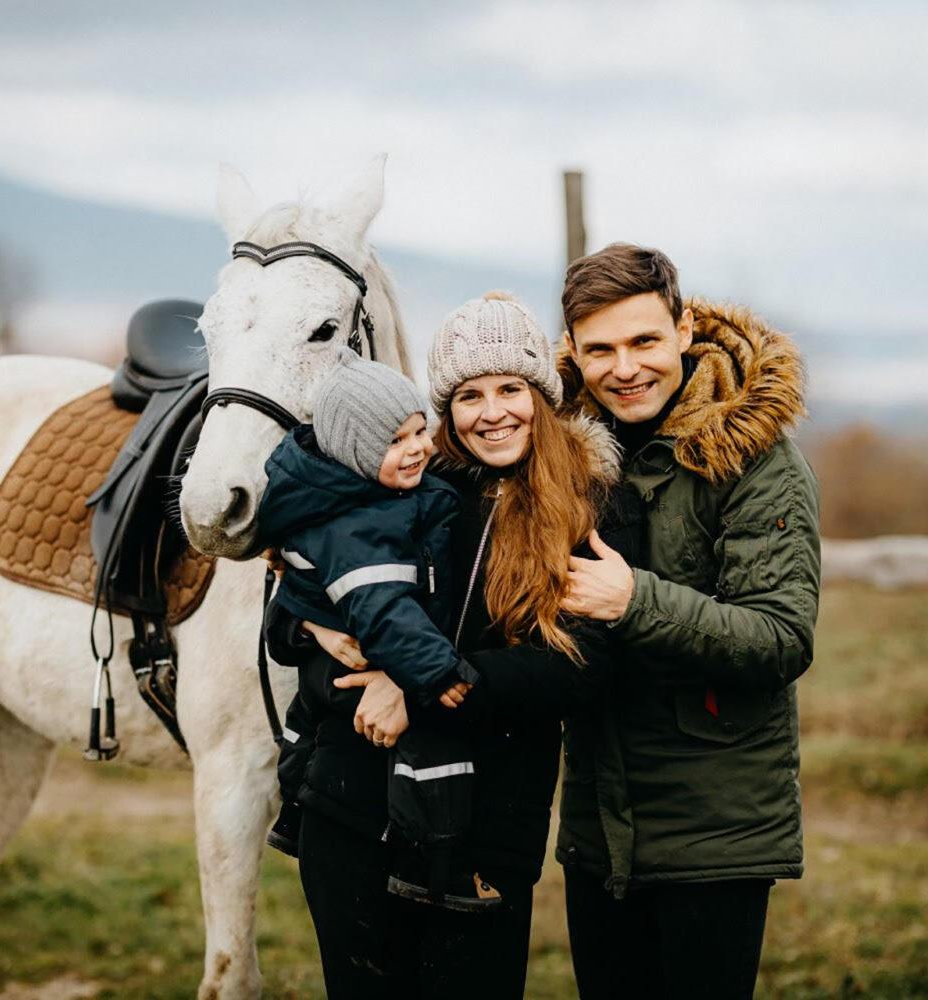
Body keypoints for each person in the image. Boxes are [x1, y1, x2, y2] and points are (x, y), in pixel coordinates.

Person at [272, 291, 646, 999]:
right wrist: (308, 629)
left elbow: (579, 667)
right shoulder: (407, 484)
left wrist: (421, 692)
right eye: (469, 395)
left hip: (485, 827)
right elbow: (301, 621)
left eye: (511, 388)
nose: (493, 411)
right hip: (354, 806)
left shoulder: (592, 504)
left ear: (542, 392)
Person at [555, 243, 822, 999]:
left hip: (717, 831)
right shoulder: (565, 457)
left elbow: (780, 635)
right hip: (597, 828)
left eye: (644, 341)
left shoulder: (758, 459)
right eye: (600, 349)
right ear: (573, 351)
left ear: (684, 327)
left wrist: (633, 600)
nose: (625, 367)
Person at [257, 347, 494, 910]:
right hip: (378, 660)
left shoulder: (366, 495)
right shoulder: (362, 521)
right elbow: (384, 609)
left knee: (305, 730)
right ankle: (438, 864)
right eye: (394, 442)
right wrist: (438, 673)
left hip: (339, 665)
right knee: (433, 753)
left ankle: (293, 814)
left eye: (418, 432)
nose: (416, 450)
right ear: (357, 453)